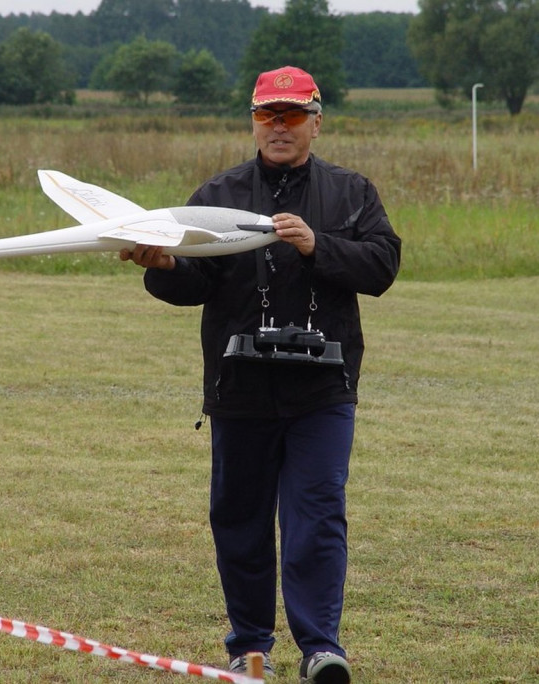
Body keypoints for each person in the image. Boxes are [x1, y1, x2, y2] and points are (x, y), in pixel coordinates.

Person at [119, 66, 401, 683]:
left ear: (317, 122)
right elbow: (190, 284)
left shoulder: (352, 193)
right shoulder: (216, 195)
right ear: (252, 120)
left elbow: (382, 265)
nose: (279, 127)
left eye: (293, 115)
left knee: (318, 513)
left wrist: (315, 246)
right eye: (268, 115)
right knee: (239, 518)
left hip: (322, 391)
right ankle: (249, 644)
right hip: (239, 388)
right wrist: (163, 263)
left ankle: (321, 648)